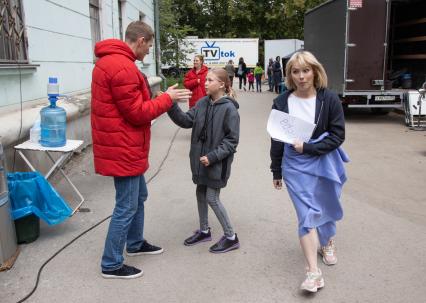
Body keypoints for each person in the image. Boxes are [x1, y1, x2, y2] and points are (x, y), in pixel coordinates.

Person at [91, 21, 191, 279]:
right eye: (149, 46)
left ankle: (134, 244)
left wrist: (160, 96)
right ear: (141, 40)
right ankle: (111, 263)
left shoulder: (112, 62)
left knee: (138, 197)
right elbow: (137, 113)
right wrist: (166, 99)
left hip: (124, 144)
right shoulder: (121, 67)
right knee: (126, 205)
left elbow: (133, 103)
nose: (148, 52)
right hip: (123, 147)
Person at [269, 51, 348, 292]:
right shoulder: (282, 101)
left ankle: (327, 241)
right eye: (295, 71)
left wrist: (310, 147)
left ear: (315, 71)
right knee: (306, 215)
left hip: (322, 159)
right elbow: (276, 137)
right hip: (293, 164)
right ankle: (313, 272)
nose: (301, 76)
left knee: (324, 204)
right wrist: (276, 170)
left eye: (306, 70)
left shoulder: (329, 99)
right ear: (289, 75)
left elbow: (338, 135)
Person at [167, 68, 240, 253]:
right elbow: (185, 121)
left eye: (210, 80)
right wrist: (170, 103)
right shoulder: (201, 103)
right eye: (205, 79)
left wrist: (212, 156)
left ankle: (231, 236)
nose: (205, 83)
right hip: (200, 162)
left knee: (212, 198)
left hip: (217, 164)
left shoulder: (230, 109)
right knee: (200, 194)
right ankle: (204, 231)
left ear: (222, 84)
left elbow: (231, 142)